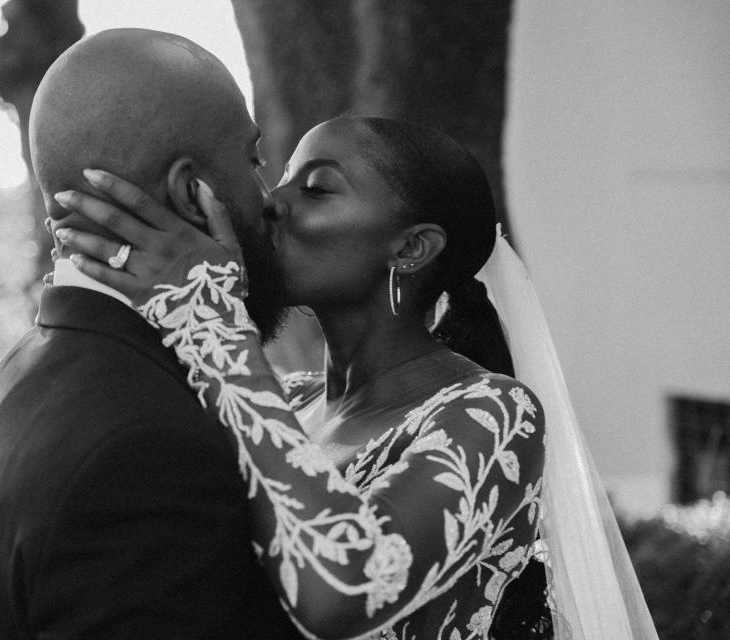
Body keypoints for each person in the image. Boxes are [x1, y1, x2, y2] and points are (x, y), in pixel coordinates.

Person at [54, 116, 659, 639]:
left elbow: (347, 588)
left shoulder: (494, 415)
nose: (271, 200)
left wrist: (214, 325)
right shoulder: (282, 401)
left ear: (411, 248)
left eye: (316, 188)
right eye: (282, 175)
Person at [0, 29, 299, 640]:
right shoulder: (147, 445)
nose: (270, 198)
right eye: (252, 160)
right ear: (191, 193)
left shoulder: (23, 370)